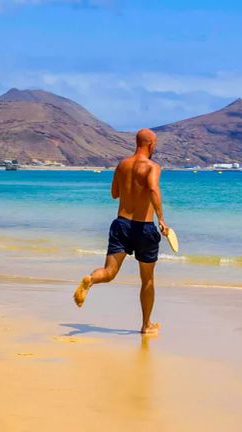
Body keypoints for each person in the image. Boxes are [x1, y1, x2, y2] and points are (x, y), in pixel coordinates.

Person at [73, 128, 169, 335]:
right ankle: (146, 325)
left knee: (108, 272)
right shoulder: (153, 167)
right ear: (151, 144)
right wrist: (161, 218)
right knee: (147, 280)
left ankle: (91, 279)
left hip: (121, 224)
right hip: (143, 227)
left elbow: (114, 194)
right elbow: (153, 188)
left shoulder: (122, 165)